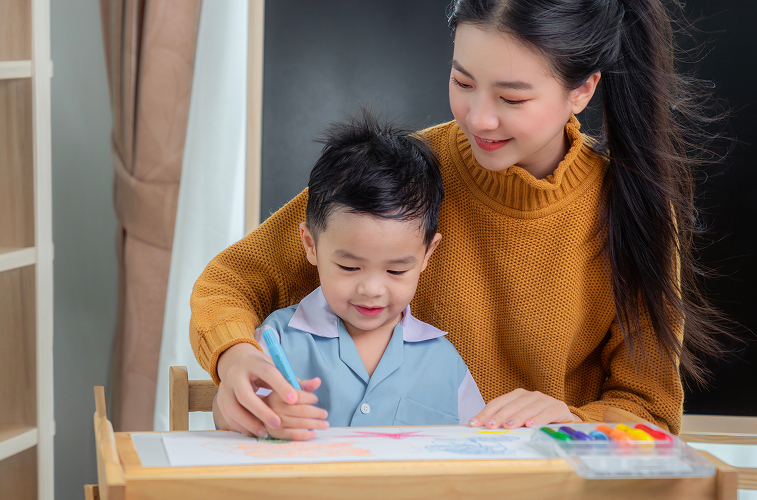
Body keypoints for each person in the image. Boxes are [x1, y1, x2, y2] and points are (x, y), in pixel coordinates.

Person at [191, 0, 728, 440]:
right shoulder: (405, 176)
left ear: (582, 90)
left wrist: (571, 419)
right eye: (463, 82)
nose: (479, 117)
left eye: (512, 96)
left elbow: (651, 412)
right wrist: (235, 356)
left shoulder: (629, 209)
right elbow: (231, 281)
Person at [210, 112, 485, 439]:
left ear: (427, 255)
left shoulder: (444, 360)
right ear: (311, 245)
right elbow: (226, 412)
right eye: (349, 267)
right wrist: (261, 417)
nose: (371, 289)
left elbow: (480, 446)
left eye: (396, 270)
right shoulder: (277, 341)